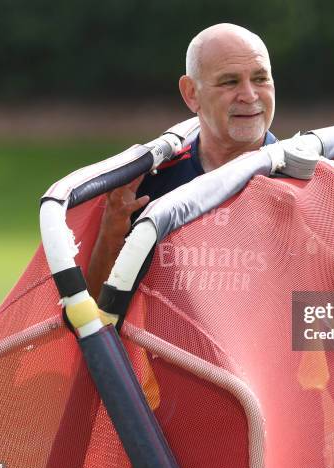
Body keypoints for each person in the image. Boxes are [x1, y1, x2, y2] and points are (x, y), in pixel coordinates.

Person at [87, 23, 277, 299]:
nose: (249, 95)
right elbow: (92, 320)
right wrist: (110, 238)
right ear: (191, 93)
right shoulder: (147, 184)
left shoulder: (309, 187)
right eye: (230, 82)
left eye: (260, 79)